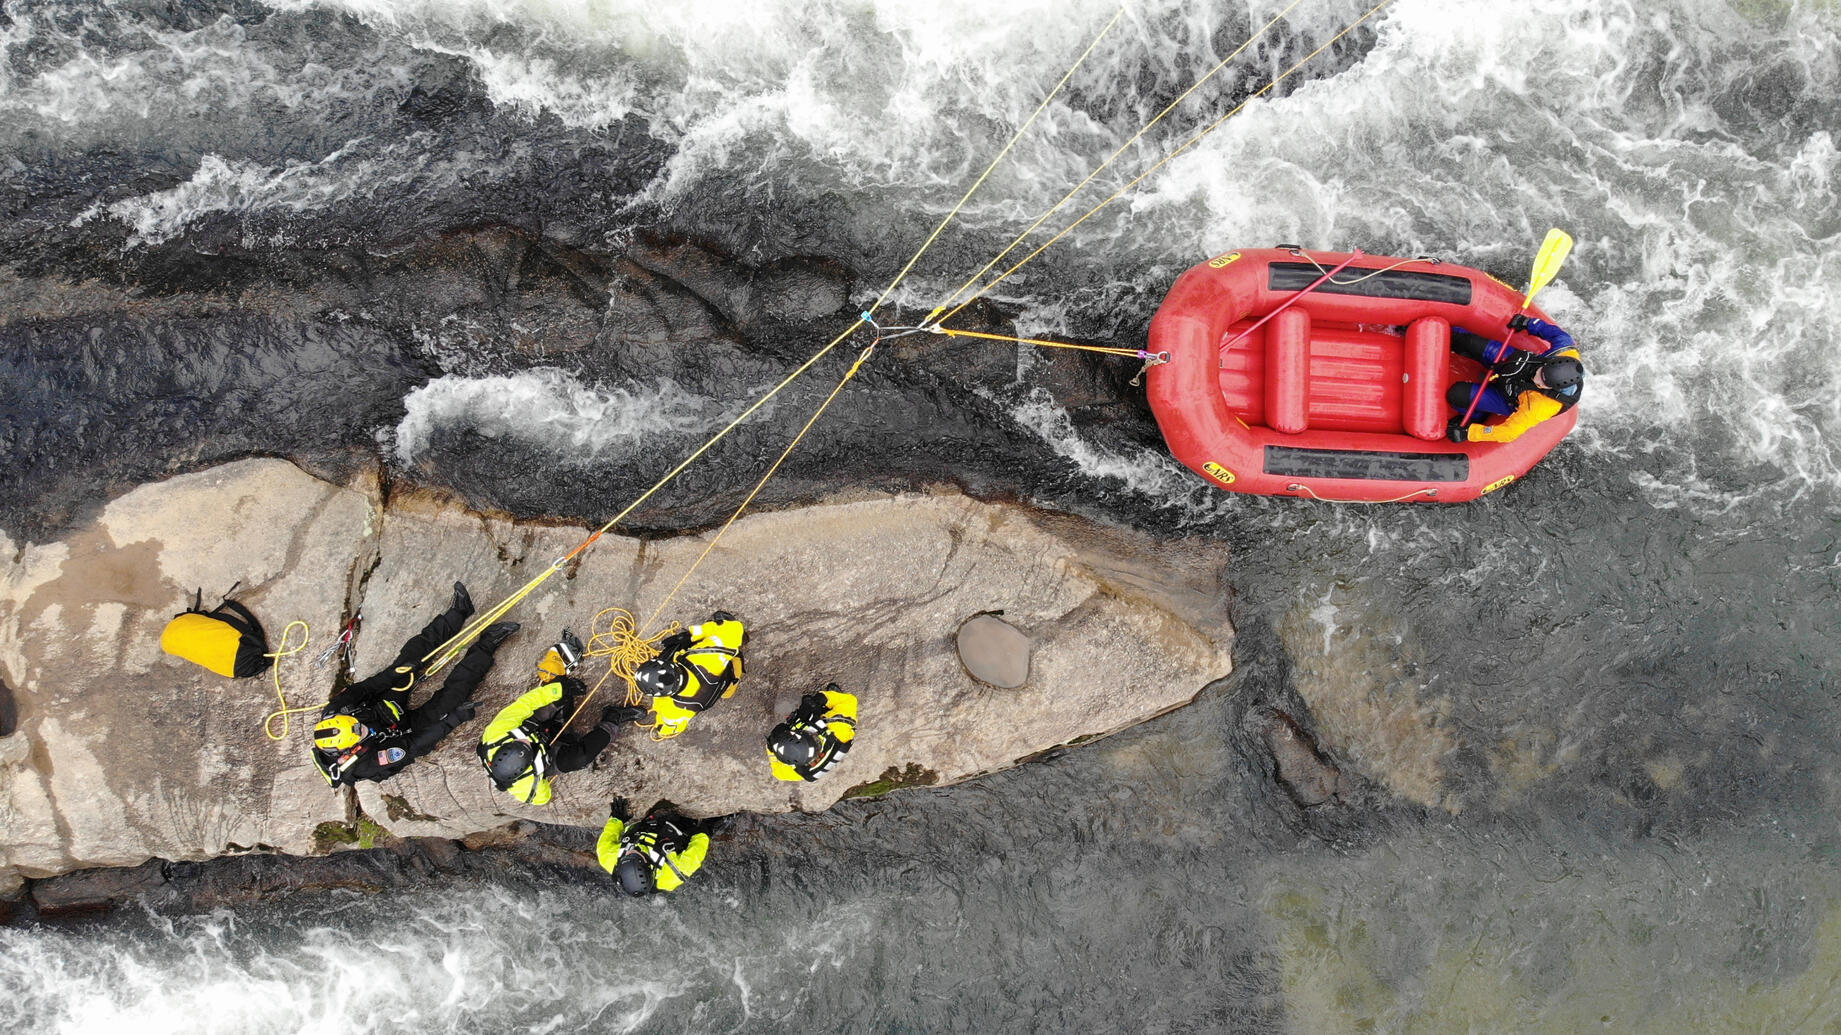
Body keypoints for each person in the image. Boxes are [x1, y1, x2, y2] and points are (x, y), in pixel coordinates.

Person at [310, 582, 516, 787]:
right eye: (359, 732)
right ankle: (488, 642)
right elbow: (415, 745)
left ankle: (458, 613)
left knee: (411, 657)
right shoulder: (367, 764)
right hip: (402, 730)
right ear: (351, 748)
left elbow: (367, 688)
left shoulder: (336, 709)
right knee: (451, 699)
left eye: (354, 723)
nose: (360, 726)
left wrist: (396, 672)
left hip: (381, 705)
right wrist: (454, 719)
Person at [477, 629, 646, 805]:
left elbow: (525, 704)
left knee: (556, 696)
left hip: (534, 726)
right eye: (527, 746)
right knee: (581, 758)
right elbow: (544, 797)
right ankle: (613, 718)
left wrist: (559, 689)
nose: (526, 741)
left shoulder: (498, 732)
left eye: (521, 742)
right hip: (547, 756)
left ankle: (561, 662)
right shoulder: (527, 787)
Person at [1445, 314, 1584, 444]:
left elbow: (1509, 433)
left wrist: (1471, 433)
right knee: (1465, 340)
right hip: (1514, 364)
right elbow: (1558, 334)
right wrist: (1528, 323)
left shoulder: (1540, 407)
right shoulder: (1565, 351)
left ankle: (1476, 415)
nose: (1537, 379)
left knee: (1457, 394)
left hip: (1508, 398)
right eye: (1541, 373)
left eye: (1543, 382)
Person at [633, 611, 746, 738]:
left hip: (720, 692)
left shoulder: (671, 710)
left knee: (726, 691)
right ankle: (736, 660)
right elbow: (734, 628)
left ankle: (729, 690)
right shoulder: (702, 657)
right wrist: (691, 635)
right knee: (731, 649)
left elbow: (669, 728)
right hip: (725, 676)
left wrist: (660, 727)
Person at [597, 798, 711, 896]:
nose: (632, 850)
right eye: (638, 855)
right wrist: (702, 831)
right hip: (678, 828)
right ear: (649, 866)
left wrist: (617, 819)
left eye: (627, 855)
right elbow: (698, 849)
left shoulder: (607, 857)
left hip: (645, 825)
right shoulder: (672, 875)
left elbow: (608, 837)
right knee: (710, 823)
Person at [766, 682, 858, 782]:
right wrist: (823, 698)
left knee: (803, 714)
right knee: (820, 707)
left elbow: (777, 772)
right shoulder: (839, 729)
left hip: (820, 742)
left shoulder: (794, 772)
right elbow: (850, 701)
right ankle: (829, 705)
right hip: (834, 735)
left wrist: (771, 748)